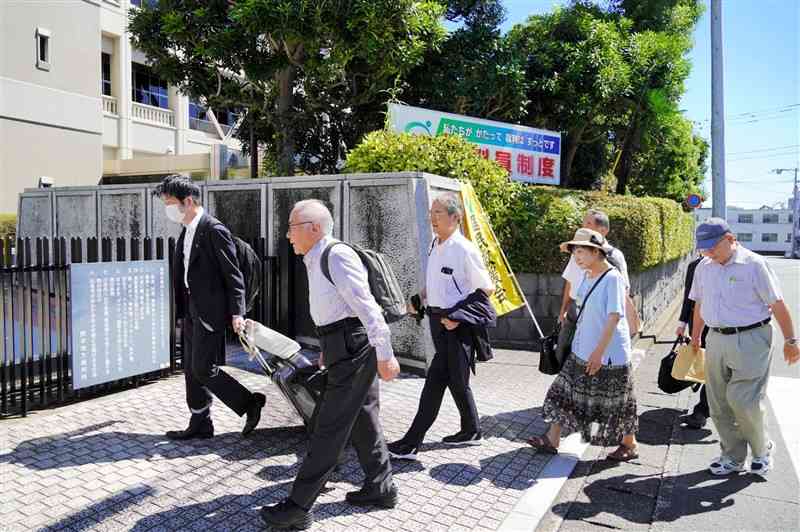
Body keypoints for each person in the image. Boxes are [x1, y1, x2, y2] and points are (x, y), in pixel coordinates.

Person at [260, 199, 400, 530]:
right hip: (342, 345)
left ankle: (298, 506)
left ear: (314, 228)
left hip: (355, 347)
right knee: (362, 416)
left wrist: (386, 355)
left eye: (292, 227)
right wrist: (328, 347)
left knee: (329, 425)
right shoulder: (316, 257)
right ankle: (381, 487)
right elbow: (335, 310)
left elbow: (367, 309)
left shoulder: (336, 255)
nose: (288, 235)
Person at [155, 174, 266, 441]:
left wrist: (237, 313)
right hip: (192, 308)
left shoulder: (213, 229)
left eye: (170, 203)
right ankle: (200, 421)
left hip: (210, 313)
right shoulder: (188, 229)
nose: (167, 209)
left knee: (202, 367)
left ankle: (249, 402)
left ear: (189, 201)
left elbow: (233, 275)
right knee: (191, 368)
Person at [387, 194, 495, 461]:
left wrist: (458, 316)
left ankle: (411, 443)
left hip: (456, 327)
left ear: (455, 217)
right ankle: (472, 431)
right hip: (437, 321)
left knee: (435, 381)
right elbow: (437, 282)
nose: (432, 218)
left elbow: (486, 288)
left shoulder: (464, 249)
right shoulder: (436, 243)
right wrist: (420, 298)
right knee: (458, 381)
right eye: (432, 212)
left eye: (438, 213)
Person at [688, 218, 799, 477]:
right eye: (703, 248)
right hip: (715, 337)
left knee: (743, 400)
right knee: (718, 403)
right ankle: (733, 457)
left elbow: (778, 304)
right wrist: (695, 336)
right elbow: (699, 304)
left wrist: (791, 340)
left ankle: (762, 450)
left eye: (712, 247)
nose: (708, 252)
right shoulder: (704, 267)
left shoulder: (754, 264)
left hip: (752, 338)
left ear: (730, 239)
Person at [528, 228, 639, 461]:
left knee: (616, 402)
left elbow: (615, 317)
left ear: (596, 252)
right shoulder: (588, 275)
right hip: (582, 349)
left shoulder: (613, 278)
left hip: (609, 354)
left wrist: (598, 353)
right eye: (574, 252)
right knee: (563, 392)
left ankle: (629, 444)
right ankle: (552, 439)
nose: (576, 257)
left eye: (580, 251)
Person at [559, 210, 629, 326]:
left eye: (588, 224)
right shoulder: (576, 254)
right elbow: (570, 281)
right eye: (583, 223)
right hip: (574, 311)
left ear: (603, 231)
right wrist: (563, 311)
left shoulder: (615, 256)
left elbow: (624, 291)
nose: (584, 227)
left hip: (599, 315)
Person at [675, 253, 710, 429]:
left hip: (723, 324)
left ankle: (703, 410)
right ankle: (704, 407)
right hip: (698, 322)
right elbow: (689, 296)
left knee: (714, 369)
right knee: (704, 364)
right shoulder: (696, 266)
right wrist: (682, 322)